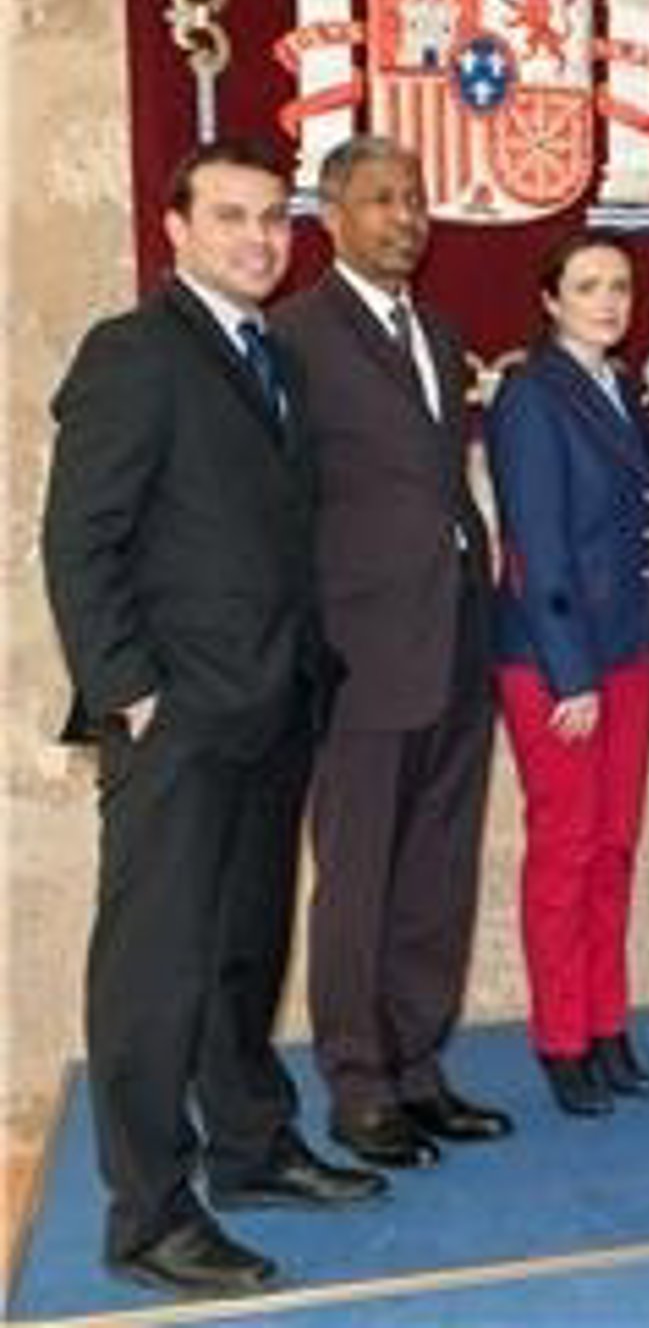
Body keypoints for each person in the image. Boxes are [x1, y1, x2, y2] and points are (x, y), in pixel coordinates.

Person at [41, 139, 384, 1296]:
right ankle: (148, 1215)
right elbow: (78, 538)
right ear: (176, 229)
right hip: (178, 721)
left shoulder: (271, 355)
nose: (257, 238)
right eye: (230, 216)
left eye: (273, 218)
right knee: (157, 972)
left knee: (245, 951)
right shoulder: (135, 351)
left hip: (274, 705)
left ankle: (251, 1148)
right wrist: (130, 692)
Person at [273, 136, 510, 1167]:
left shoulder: (441, 333)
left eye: (415, 198)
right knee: (360, 875)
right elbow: (284, 503)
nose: (406, 216)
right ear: (331, 216)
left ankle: (417, 1069)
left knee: (437, 870)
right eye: (381, 199)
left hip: (456, 637)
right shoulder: (295, 335)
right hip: (360, 653)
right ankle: (358, 1085)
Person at [488, 233, 649, 1116]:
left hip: (628, 651)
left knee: (614, 849)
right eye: (588, 287)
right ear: (551, 301)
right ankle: (562, 1039)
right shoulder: (531, 395)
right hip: (557, 664)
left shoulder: (622, 388)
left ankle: (607, 1024)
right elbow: (537, 544)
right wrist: (571, 676)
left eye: (620, 286)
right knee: (565, 852)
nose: (608, 302)